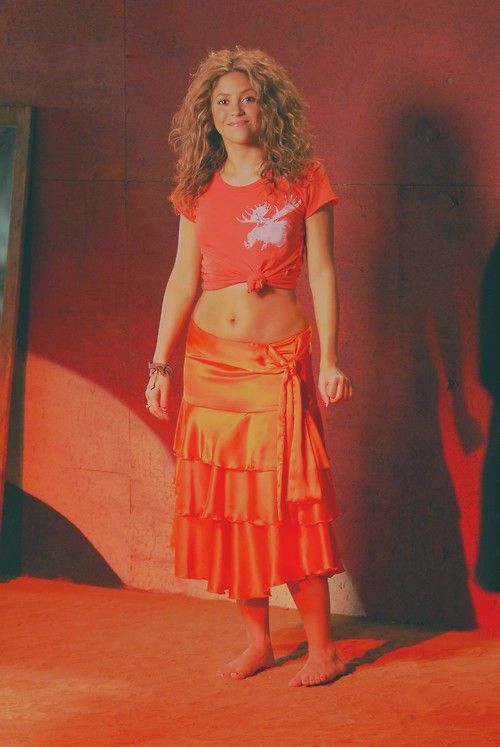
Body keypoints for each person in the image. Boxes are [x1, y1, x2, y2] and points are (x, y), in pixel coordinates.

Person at [145, 46, 353, 688]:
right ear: (207, 115)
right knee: (234, 508)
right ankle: (258, 641)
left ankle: (323, 648)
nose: (236, 110)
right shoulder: (198, 189)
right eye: (222, 101)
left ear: (270, 108)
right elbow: (182, 280)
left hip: (277, 366)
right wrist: (160, 363)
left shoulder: (303, 178)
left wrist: (333, 359)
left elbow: (322, 271)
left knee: (290, 504)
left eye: (248, 98)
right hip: (210, 364)